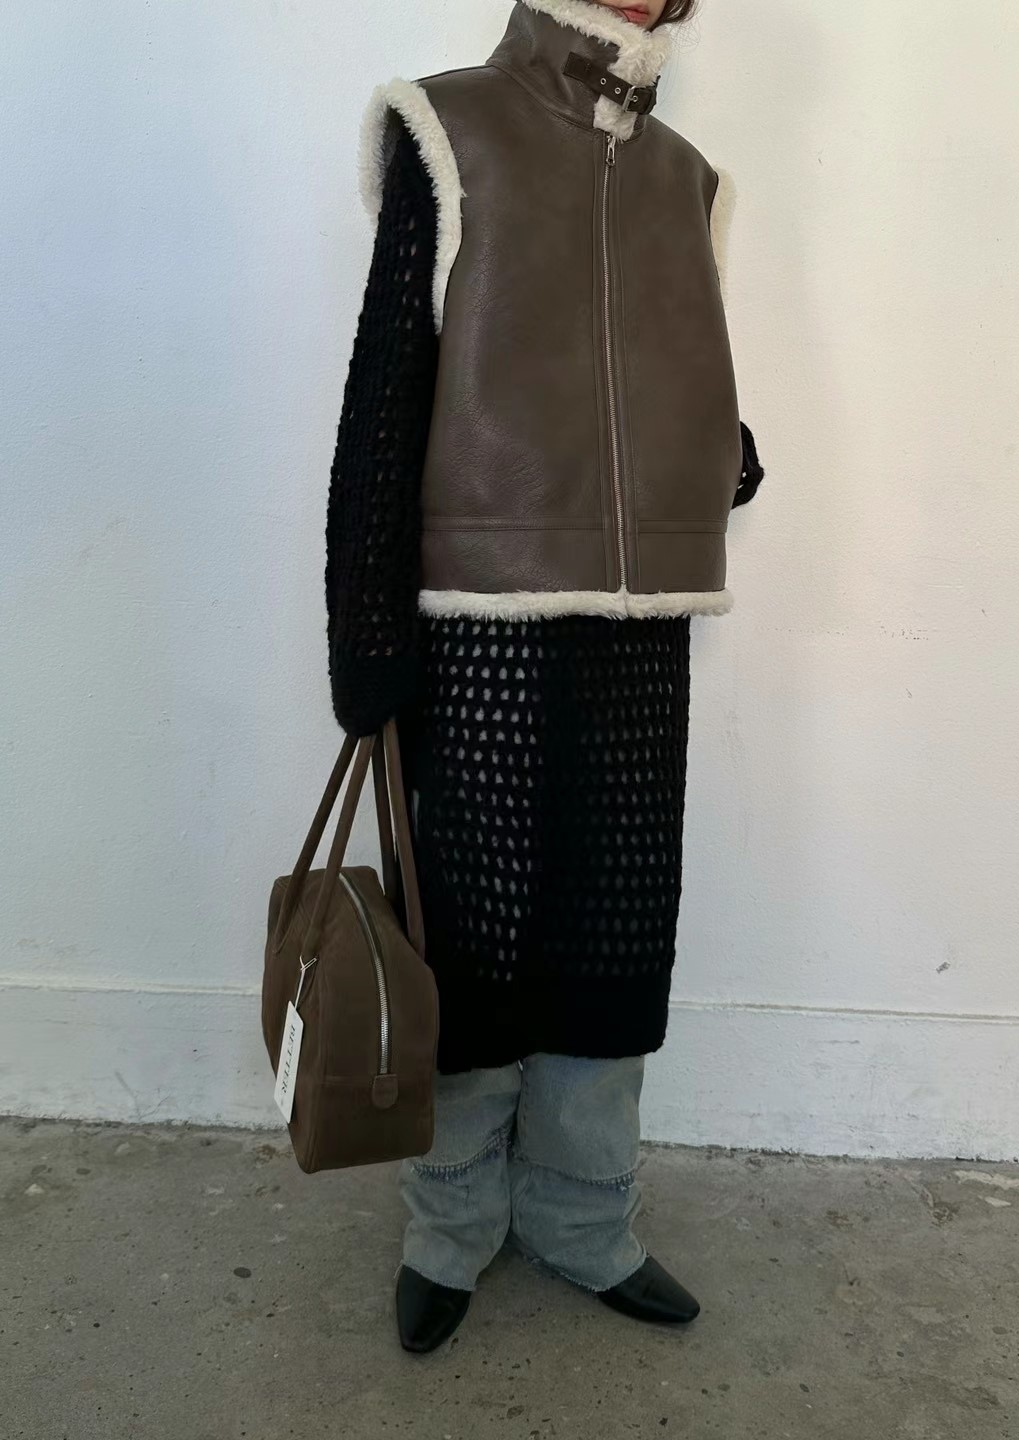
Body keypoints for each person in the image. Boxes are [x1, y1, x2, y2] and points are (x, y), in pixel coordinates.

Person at [325, 0, 764, 1354]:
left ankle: (583, 1218)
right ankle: (449, 1227)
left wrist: (719, 452)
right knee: (472, 939)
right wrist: (367, 639)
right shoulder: (447, 126)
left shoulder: (687, 178)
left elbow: (664, 363)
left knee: (611, 935)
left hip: (637, 624)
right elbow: (389, 388)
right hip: (478, 619)